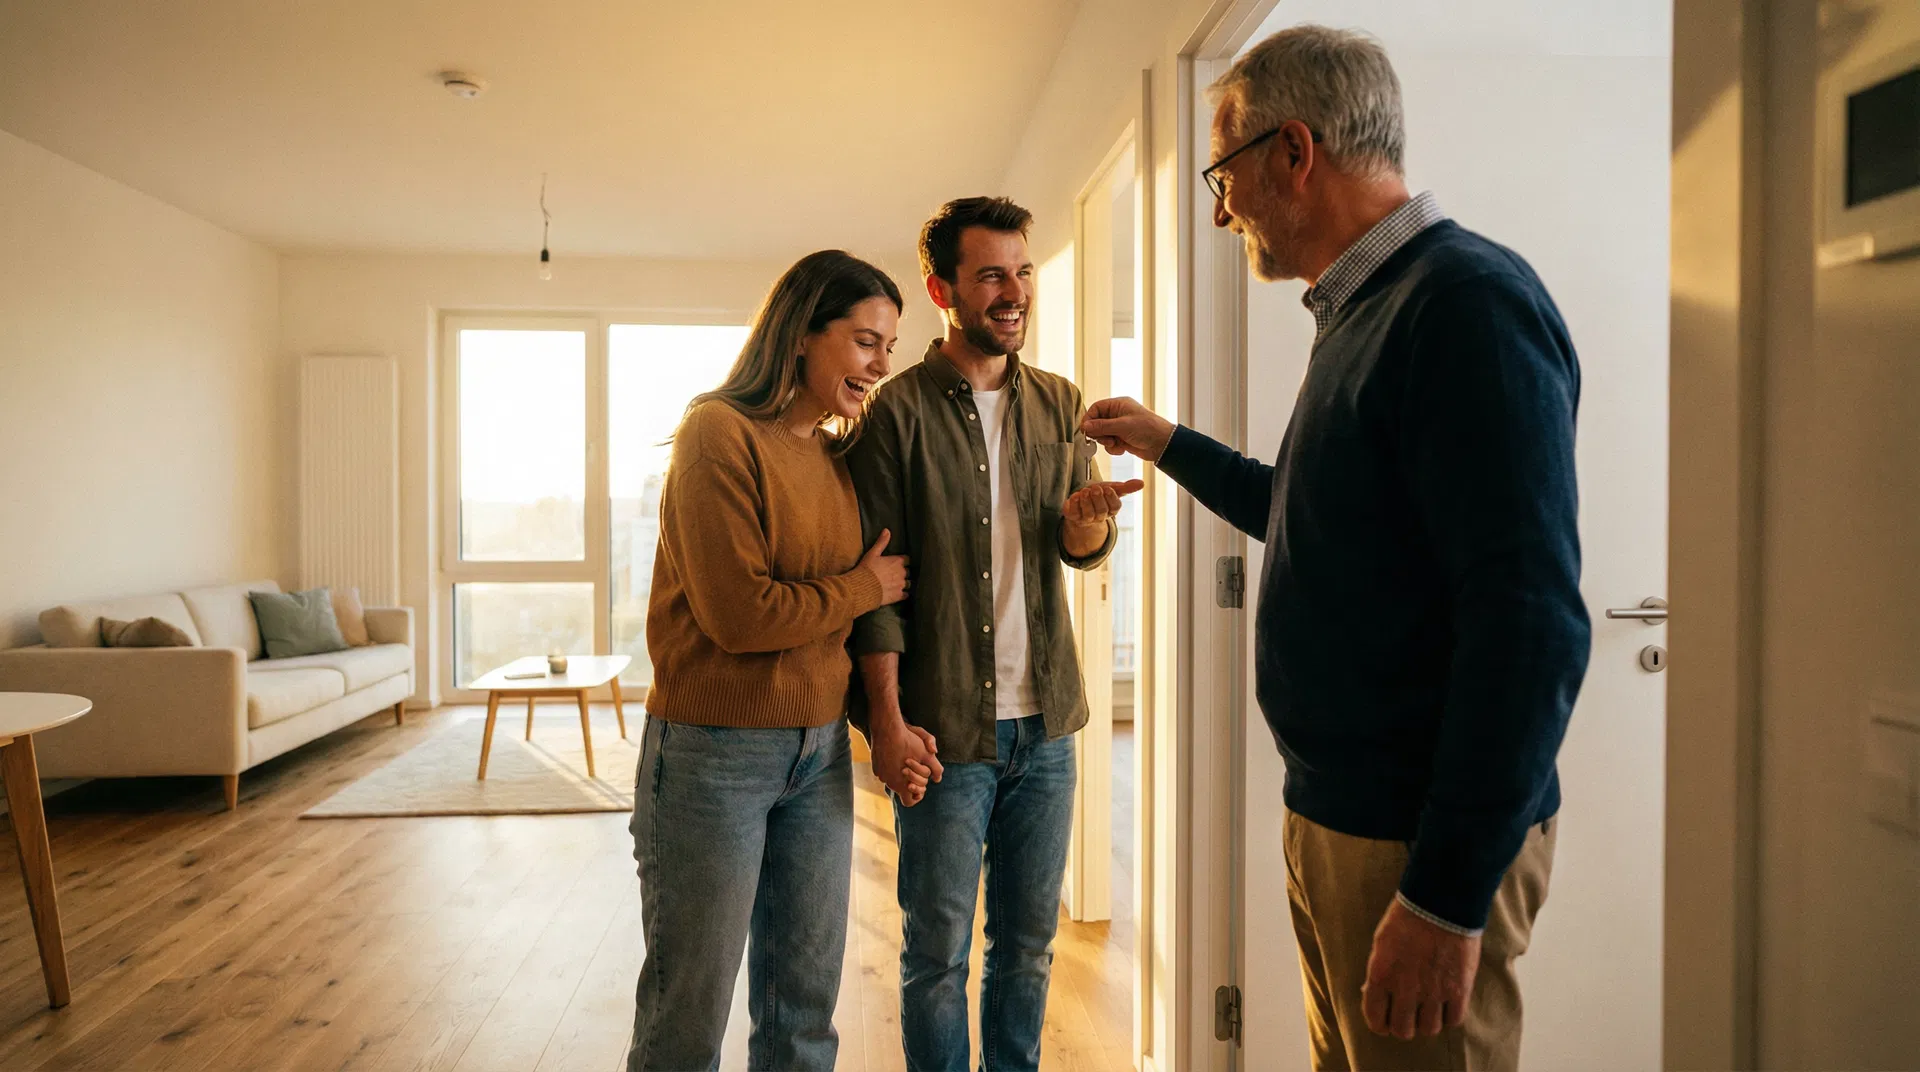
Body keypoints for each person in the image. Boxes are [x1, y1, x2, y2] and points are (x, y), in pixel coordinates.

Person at [1083, 26, 1590, 1072]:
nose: (1219, 211)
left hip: (1412, 838)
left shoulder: (1463, 305)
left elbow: (1530, 624)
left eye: (1223, 175)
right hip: (1344, 816)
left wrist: (1444, 896)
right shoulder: (1366, 311)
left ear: (1293, 153)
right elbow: (1309, 513)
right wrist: (1165, 442)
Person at [845, 196, 1141, 1071]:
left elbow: (1079, 550)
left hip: (1046, 728)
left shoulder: (1060, 403)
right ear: (943, 289)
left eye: (1022, 273)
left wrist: (1088, 524)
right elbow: (876, 595)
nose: (1014, 293)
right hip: (943, 731)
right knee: (937, 957)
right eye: (991, 276)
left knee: (1028, 948)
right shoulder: (893, 415)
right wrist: (888, 722)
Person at [627, 250, 911, 1072]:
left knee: (804, 1014)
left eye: (888, 346)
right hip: (711, 756)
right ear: (800, 336)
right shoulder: (717, 433)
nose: (880, 365)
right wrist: (861, 586)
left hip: (818, 753)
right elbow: (740, 616)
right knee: (687, 1015)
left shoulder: (832, 456)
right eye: (865, 341)